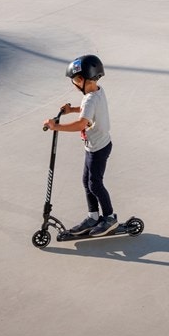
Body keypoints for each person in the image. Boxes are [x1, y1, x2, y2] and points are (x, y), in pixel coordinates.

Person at [43, 55, 116, 236]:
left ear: (83, 80)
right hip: (94, 146)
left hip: (98, 148)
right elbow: (87, 110)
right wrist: (71, 110)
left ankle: (109, 218)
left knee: (95, 184)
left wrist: (56, 127)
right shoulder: (95, 92)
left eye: (75, 80)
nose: (74, 84)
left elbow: (81, 124)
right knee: (87, 182)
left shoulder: (90, 99)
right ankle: (93, 216)